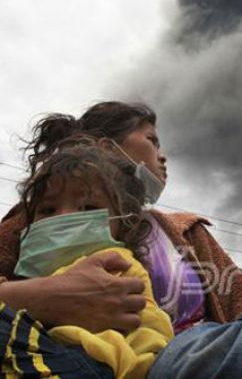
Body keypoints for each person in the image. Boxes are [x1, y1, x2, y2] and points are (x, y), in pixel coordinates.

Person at [0, 101, 242, 378]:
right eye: (152, 140)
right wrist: (41, 297)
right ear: (103, 147)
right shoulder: (37, 216)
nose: (163, 156)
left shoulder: (188, 231)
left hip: (199, 363)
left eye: (88, 206)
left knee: (215, 350)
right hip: (69, 361)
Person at [3, 140, 174, 378]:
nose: (64, 217)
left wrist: (132, 368)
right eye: (47, 210)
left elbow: (150, 327)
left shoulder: (117, 265)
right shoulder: (24, 273)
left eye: (87, 207)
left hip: (94, 364)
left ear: (123, 224)